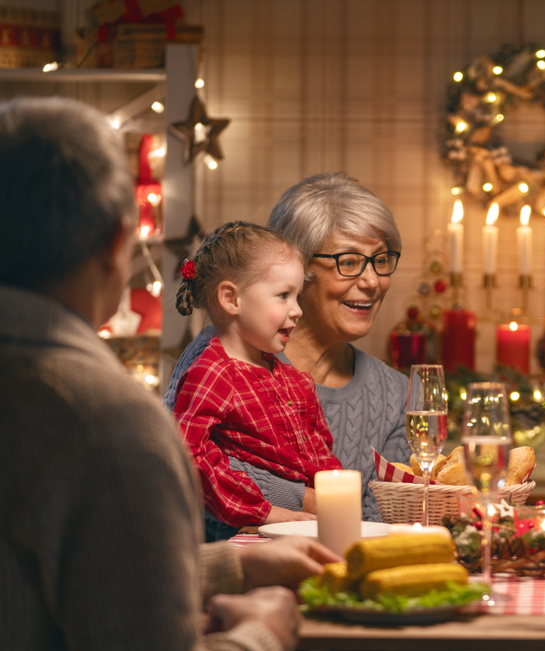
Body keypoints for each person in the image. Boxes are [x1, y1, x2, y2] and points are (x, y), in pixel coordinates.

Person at [0, 96, 341, 651]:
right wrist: (263, 632)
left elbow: (68, 581)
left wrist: (228, 567)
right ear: (117, 244)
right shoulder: (106, 421)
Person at [164, 173, 409, 523]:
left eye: (381, 260)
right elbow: (180, 464)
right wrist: (306, 500)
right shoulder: (220, 354)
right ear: (298, 268)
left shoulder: (396, 395)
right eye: (349, 262)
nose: (372, 281)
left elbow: (381, 524)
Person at [173, 221, 346, 540]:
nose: (297, 311)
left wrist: (337, 499)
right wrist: (263, 511)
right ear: (231, 299)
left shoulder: (293, 379)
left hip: (304, 527)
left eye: (297, 296)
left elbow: (320, 451)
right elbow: (186, 453)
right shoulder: (212, 373)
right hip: (241, 533)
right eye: (283, 296)